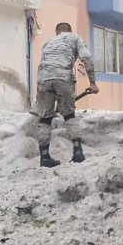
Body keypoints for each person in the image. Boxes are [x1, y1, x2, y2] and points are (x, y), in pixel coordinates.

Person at [30, 22, 98, 167]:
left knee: (45, 118)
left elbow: (45, 62)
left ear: (57, 32)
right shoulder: (75, 38)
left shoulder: (48, 42)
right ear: (69, 30)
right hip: (63, 77)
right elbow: (86, 57)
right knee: (69, 115)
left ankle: (45, 158)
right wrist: (92, 82)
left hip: (43, 79)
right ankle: (78, 153)